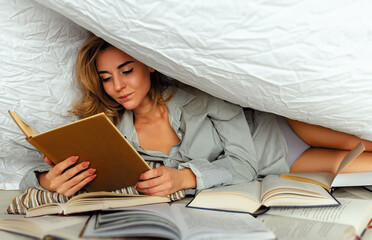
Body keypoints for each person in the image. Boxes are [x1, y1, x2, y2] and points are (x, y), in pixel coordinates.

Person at [19, 33, 372, 198]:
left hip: (282, 129)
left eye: (126, 71)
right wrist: (46, 182)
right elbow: (30, 180)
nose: (117, 86)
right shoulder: (114, 135)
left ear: (149, 66)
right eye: (107, 78)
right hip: (281, 165)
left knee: (361, 142)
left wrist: (187, 177)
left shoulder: (199, 98)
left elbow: (242, 163)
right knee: (359, 164)